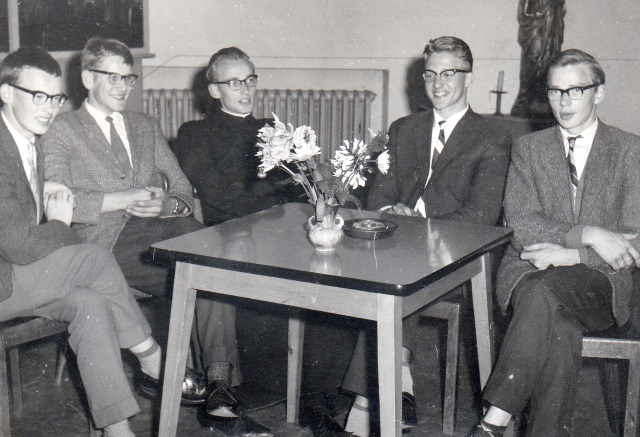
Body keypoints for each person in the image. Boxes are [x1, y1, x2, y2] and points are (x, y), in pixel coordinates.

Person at [41, 37, 272, 436]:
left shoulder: (144, 125)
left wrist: (168, 205)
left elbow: (182, 188)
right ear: (87, 78)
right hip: (103, 245)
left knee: (211, 255)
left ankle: (218, 387)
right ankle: (185, 381)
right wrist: (125, 199)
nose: (123, 87)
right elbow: (57, 200)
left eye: (128, 78)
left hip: (160, 230)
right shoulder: (62, 128)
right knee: (198, 267)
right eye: (112, 77)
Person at [301, 36, 512, 435]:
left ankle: (366, 406)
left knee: (398, 278)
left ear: (469, 78)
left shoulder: (491, 135)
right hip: (394, 243)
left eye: (449, 73)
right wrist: (391, 216)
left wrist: (416, 221)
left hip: (454, 253)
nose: (438, 83)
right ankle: (388, 388)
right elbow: (379, 197)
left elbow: (481, 215)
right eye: (430, 74)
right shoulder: (403, 129)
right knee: (336, 268)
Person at [471, 49, 640, 437]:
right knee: (559, 326)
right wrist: (589, 234)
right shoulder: (529, 148)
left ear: (599, 93)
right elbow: (522, 224)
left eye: (575, 90)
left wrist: (574, 254)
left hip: (599, 285)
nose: (563, 102)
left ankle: (493, 421)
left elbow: (634, 240)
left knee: (546, 292)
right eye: (554, 91)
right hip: (528, 271)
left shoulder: (630, 150)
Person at [0, 45, 162, 437]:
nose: (49, 109)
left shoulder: (28, 139)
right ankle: (151, 355)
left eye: (55, 98)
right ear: (6, 93)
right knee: (94, 259)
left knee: (91, 304)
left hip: (17, 276)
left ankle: (117, 429)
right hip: (5, 278)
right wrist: (58, 220)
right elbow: (19, 245)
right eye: (37, 96)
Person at [174, 47, 291, 227]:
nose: (245, 90)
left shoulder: (272, 128)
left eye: (249, 80)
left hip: (282, 222)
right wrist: (277, 206)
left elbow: (299, 182)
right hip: (231, 230)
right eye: (234, 83)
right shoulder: (195, 133)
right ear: (215, 91)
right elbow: (219, 195)